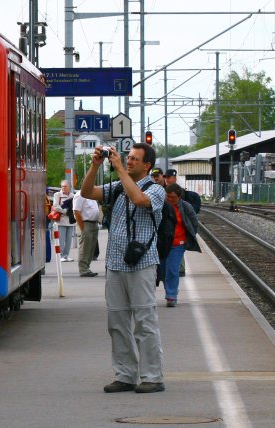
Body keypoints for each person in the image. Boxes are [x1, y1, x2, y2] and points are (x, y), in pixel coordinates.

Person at [80, 143, 166, 394]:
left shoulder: (155, 189)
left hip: (142, 263)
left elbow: (139, 200)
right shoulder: (118, 187)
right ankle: (125, 374)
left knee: (144, 321)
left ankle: (152, 376)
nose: (128, 161)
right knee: (116, 321)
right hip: (115, 264)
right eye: (127, 158)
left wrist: (119, 169)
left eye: (134, 159)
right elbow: (87, 192)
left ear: (147, 165)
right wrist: (95, 166)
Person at [161, 184, 201, 307]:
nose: (170, 199)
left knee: (172, 269)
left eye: (173, 197)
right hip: (162, 243)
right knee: (162, 270)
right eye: (167, 196)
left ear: (179, 197)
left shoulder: (185, 207)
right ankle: (170, 290)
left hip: (178, 243)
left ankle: (171, 296)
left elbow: (194, 223)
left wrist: (188, 237)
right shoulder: (161, 206)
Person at [163, 169, 201, 276]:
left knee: (174, 265)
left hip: (179, 236)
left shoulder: (182, 194)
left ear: (174, 178)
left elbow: (193, 220)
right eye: (165, 177)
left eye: (169, 177)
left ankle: (180, 268)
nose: (166, 179)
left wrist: (190, 233)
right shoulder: (162, 192)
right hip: (166, 236)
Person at [73, 189, 101, 277]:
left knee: (91, 248)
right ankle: (83, 270)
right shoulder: (80, 195)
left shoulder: (91, 195)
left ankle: (87, 268)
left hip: (94, 223)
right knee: (85, 248)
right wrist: (82, 228)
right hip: (85, 223)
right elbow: (76, 212)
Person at [52, 181, 76, 261]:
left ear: (70, 187)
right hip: (61, 220)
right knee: (61, 240)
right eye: (62, 186)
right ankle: (60, 256)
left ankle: (66, 255)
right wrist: (66, 212)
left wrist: (69, 212)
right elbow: (56, 207)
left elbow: (75, 207)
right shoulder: (57, 195)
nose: (63, 188)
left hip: (70, 221)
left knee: (69, 240)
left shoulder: (73, 195)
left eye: (65, 186)